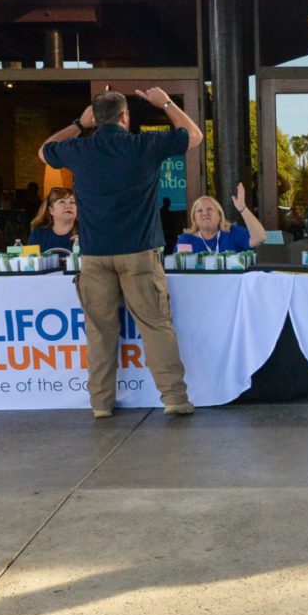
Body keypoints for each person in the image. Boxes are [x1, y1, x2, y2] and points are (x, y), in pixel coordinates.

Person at [39, 88, 202, 419]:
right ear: (125, 116)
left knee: (100, 332)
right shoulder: (143, 145)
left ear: (95, 119)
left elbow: (44, 151)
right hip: (139, 252)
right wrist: (165, 103)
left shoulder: (79, 148)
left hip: (95, 255)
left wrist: (77, 124)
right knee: (155, 326)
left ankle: (100, 404)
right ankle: (174, 398)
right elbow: (194, 136)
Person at [175, 184, 267, 255]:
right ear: (194, 218)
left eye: (209, 209)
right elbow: (179, 266)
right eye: (199, 211)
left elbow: (260, 238)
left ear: (219, 215)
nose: (205, 213)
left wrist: (242, 208)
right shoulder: (186, 240)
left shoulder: (233, 232)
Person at [24, 186, 79, 254]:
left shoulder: (85, 233)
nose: (68, 206)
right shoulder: (38, 233)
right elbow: (30, 258)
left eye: (72, 202)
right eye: (62, 202)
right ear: (51, 210)